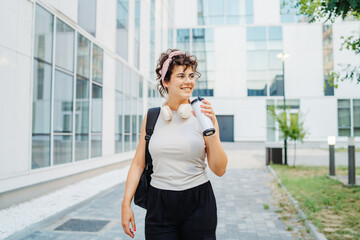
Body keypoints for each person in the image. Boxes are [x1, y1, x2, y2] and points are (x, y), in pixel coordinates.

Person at [121, 49, 228, 240]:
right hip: (159, 203)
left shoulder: (204, 115)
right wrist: (125, 204)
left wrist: (211, 130)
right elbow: (138, 164)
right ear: (166, 81)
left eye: (191, 75)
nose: (188, 81)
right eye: (181, 76)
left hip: (199, 201)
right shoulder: (152, 117)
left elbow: (219, 169)